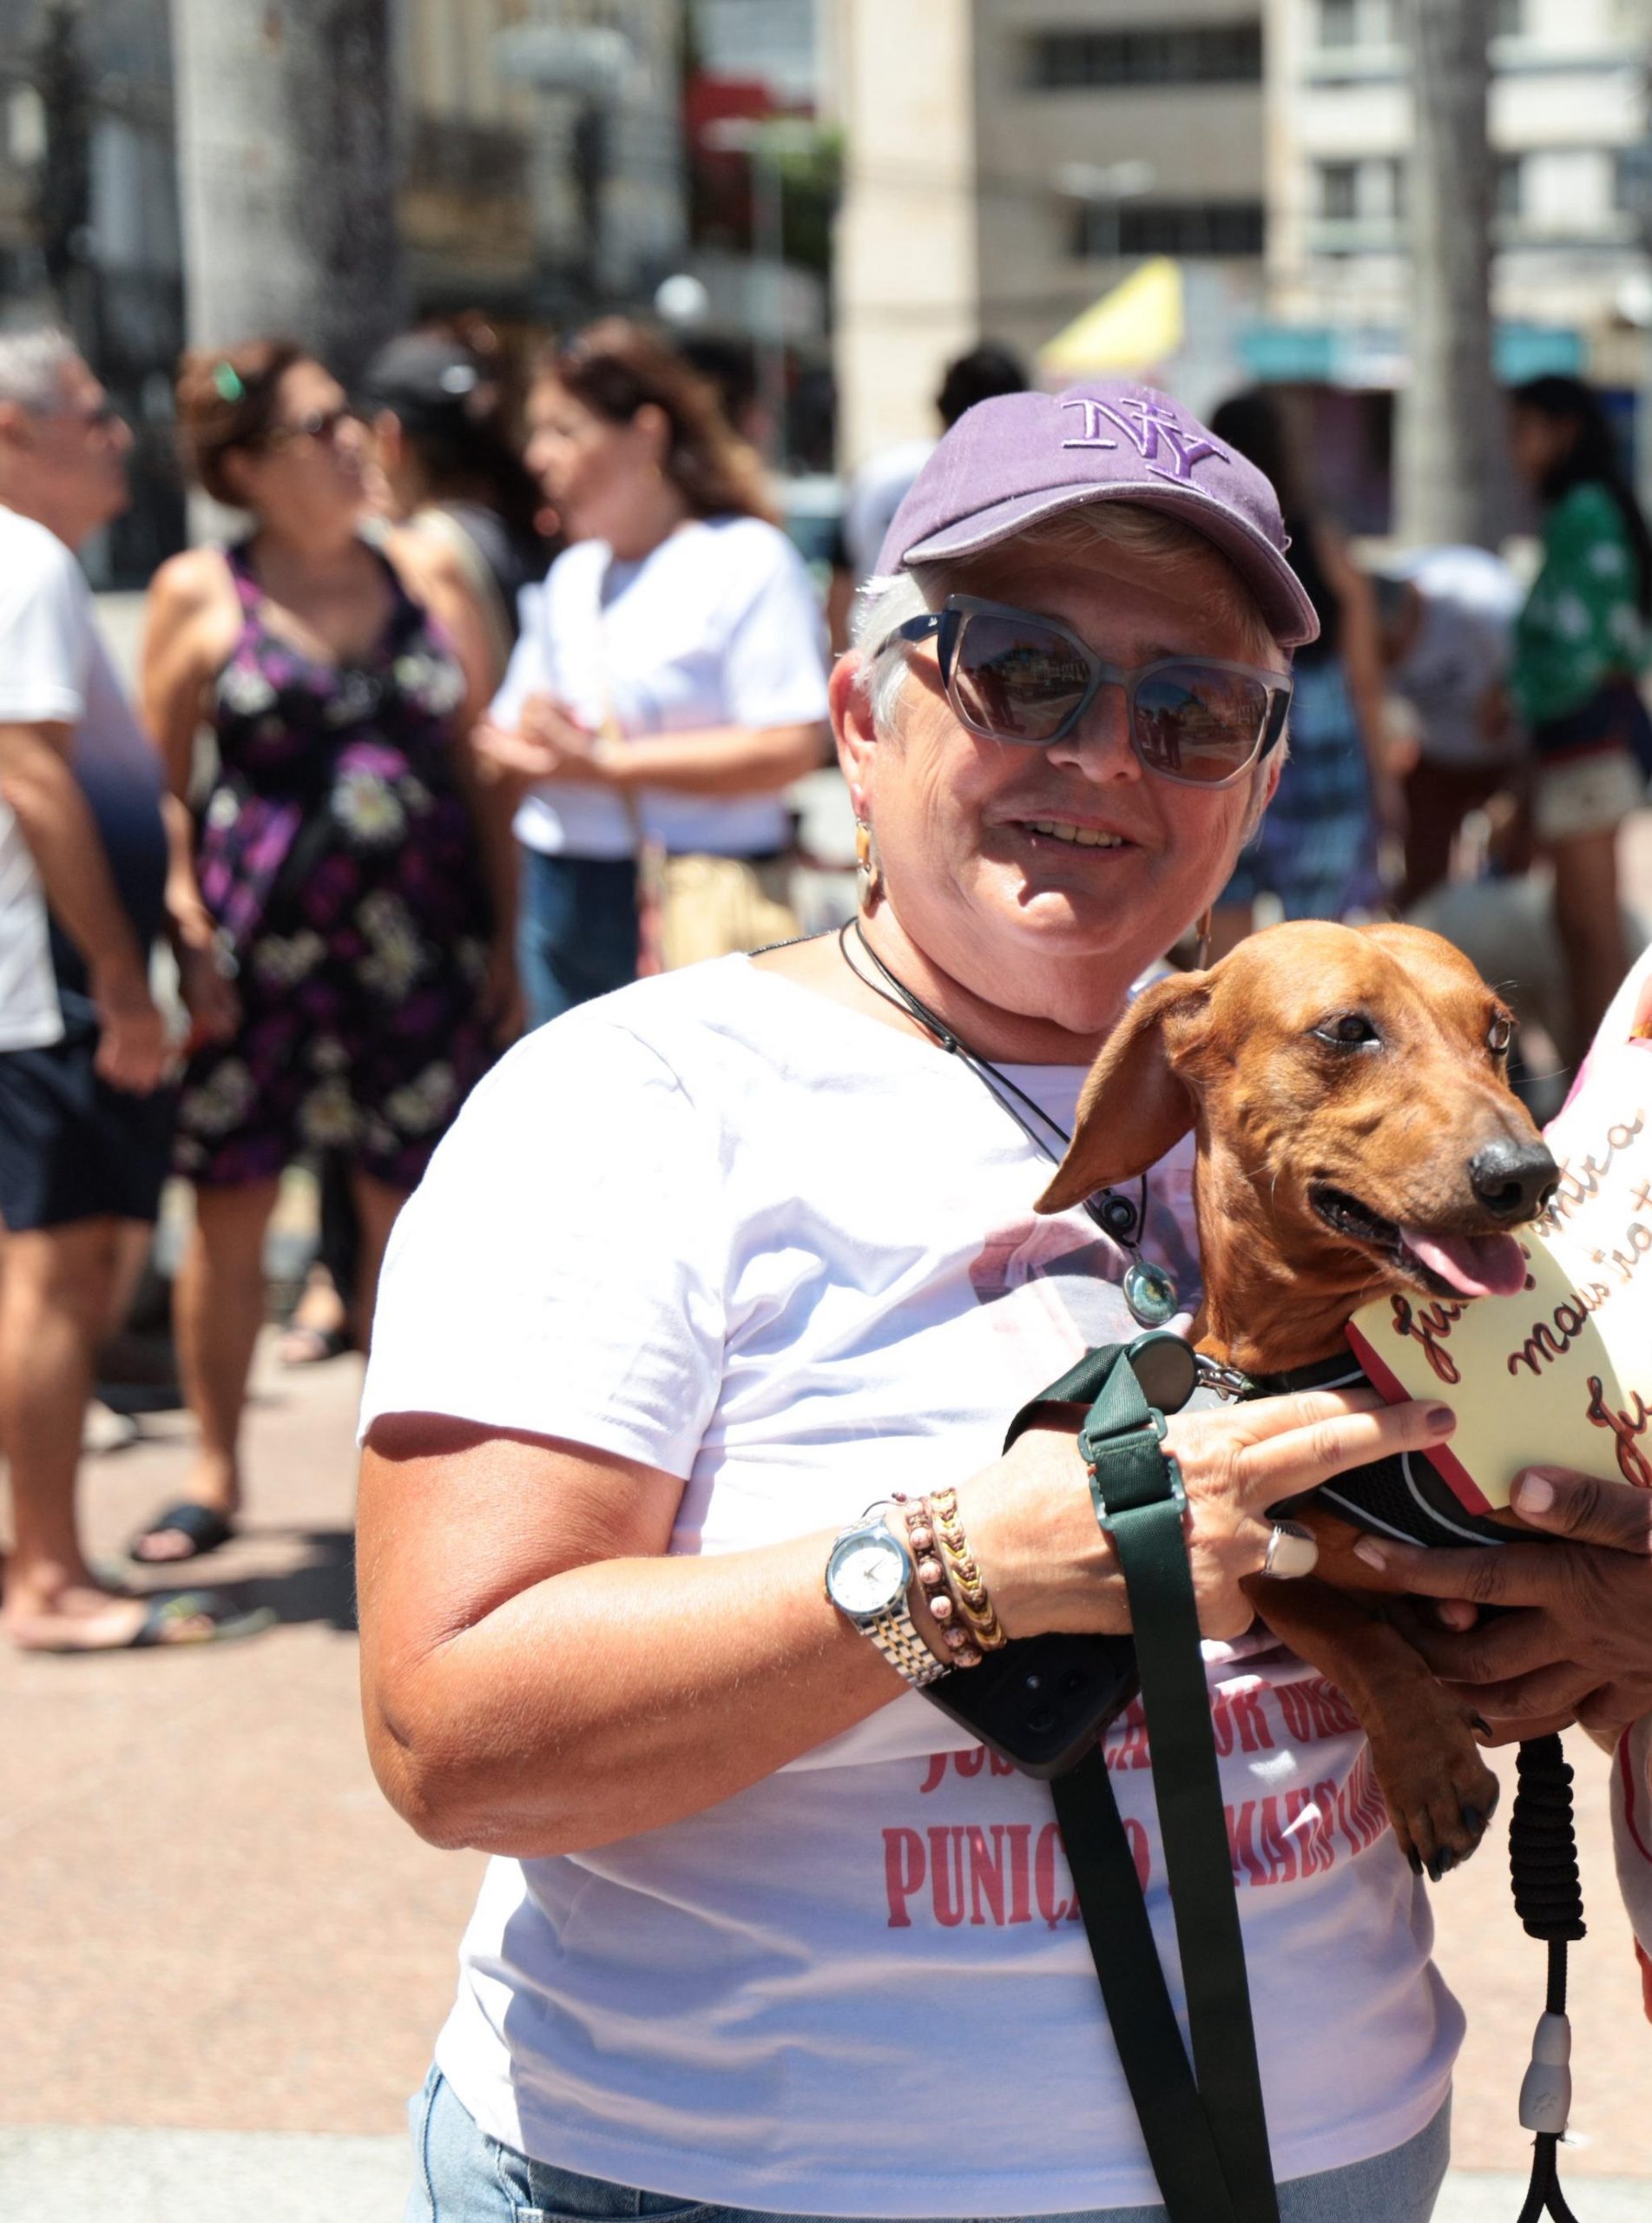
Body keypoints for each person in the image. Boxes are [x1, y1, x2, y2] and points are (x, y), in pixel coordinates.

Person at [359, 380, 1471, 2223]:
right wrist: (960, 1565)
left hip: (1331, 2160)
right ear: (861, 721)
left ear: (1261, 780)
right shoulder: (636, 1101)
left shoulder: (1354, 1100)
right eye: (1023, 674)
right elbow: (452, 1734)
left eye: (1191, 713)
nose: (1104, 756)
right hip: (750, 2179)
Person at [128, 338, 508, 1566]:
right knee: (231, 1206)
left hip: (417, 952)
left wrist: (506, 938)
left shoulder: (424, 571)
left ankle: (402, 1491)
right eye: (319, 426)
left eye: (352, 417)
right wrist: (180, 925)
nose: (354, 440)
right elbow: (159, 784)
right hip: (259, 964)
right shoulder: (199, 590)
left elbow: (482, 770)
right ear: (244, 466)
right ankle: (214, 1470)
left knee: (415, 1216)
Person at [0, 325, 255, 1650]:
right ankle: (47, 1576)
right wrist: (119, 975)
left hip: (53, 977)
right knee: (58, 1272)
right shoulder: (25, 560)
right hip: (45, 983)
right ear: (12, 432)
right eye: (90, 417)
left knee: (64, 1268)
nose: (117, 439)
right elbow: (34, 777)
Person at [276, 328, 550, 1369]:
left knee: (405, 1147)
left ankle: (357, 1305)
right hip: (495, 877)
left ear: (389, 436)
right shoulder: (521, 531)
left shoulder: (422, 553)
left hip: (443, 895)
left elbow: (477, 742)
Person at [477, 319, 831, 1029]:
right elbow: (498, 735)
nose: (538, 456)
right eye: (536, 433)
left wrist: (606, 766)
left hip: (701, 888)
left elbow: (791, 744)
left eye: (564, 431)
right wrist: (535, 736)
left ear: (646, 434)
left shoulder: (745, 558)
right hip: (562, 886)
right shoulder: (574, 573)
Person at [1205, 388, 1389, 957]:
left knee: (1225, 915)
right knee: (1316, 941)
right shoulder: (1323, 542)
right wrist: (1384, 781)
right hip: (1321, 739)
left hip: (1228, 728)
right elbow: (1364, 676)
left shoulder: (1206, 546)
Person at [1504, 374, 1652, 1063]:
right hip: (1579, 739)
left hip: (1589, 739)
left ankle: (1617, 1082)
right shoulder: (1581, 510)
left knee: (1592, 930)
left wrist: (1510, 692)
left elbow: (1583, 648)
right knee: (1574, 924)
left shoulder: (1584, 513)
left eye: (1522, 430)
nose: (1513, 448)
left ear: (1562, 431)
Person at [1374, 545, 1527, 910]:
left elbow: (1541, 688)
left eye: (1392, 647)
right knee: (1422, 876)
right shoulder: (1369, 631)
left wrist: (1521, 789)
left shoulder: (1479, 606)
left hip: (1510, 752)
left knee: (1516, 869)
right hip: (1434, 756)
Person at [841, 341, 1028, 584]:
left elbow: (842, 578)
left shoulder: (878, 473)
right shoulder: (1012, 486)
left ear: (941, 405)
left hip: (873, 605)